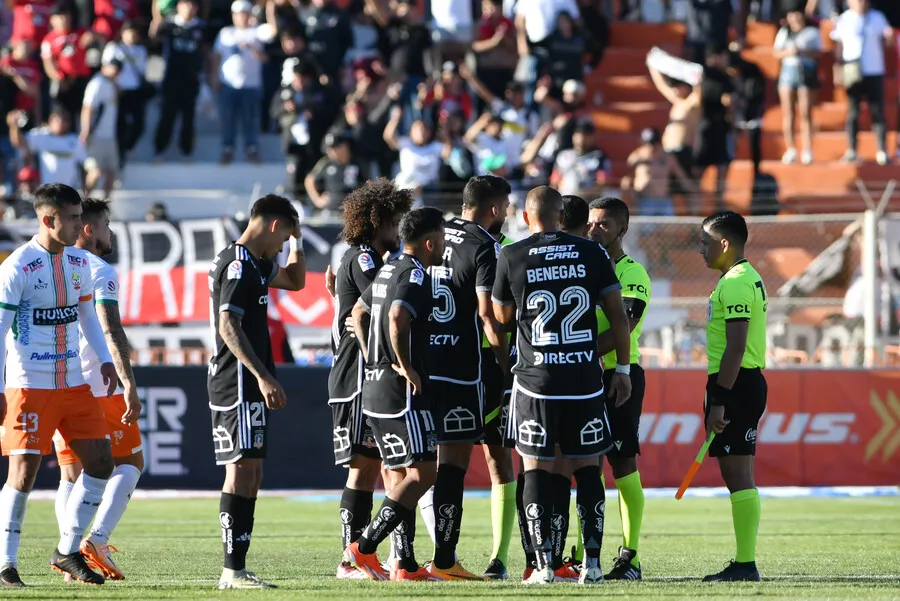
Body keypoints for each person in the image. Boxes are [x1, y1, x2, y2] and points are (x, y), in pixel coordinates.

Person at [491, 186, 632, 585]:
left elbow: (501, 318)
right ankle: (592, 563)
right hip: (584, 379)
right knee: (589, 469)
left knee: (534, 468)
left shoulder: (512, 254)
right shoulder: (593, 252)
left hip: (536, 382)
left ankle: (544, 565)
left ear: (525, 217)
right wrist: (622, 368)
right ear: (564, 215)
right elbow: (618, 317)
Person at [0, 183, 117, 586]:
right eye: (72, 217)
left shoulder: (78, 263)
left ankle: (67, 551)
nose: (80, 224)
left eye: (80, 216)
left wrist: (105, 360)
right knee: (24, 472)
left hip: (73, 382)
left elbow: (86, 315)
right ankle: (6, 564)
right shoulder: (16, 267)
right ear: (48, 220)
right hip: (28, 384)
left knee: (102, 461)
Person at [207, 194, 306, 589]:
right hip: (237, 380)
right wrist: (263, 375)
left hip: (249, 380)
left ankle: (239, 568)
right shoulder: (235, 264)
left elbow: (296, 282)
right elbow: (227, 324)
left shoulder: (255, 264)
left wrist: (298, 239)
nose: (283, 247)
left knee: (252, 471)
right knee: (240, 470)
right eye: (284, 237)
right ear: (270, 225)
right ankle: (231, 571)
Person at [344, 207, 445, 581]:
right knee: (424, 473)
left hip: (374, 386)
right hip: (401, 391)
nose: (443, 249)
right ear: (431, 242)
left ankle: (404, 564)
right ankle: (364, 547)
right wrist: (402, 363)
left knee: (399, 474)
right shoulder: (415, 272)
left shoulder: (388, 268)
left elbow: (357, 312)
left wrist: (375, 357)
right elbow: (397, 316)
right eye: (442, 242)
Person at [423, 176, 511, 581]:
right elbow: (487, 315)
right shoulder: (484, 245)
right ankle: (444, 560)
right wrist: (506, 363)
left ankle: (399, 558)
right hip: (462, 370)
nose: (507, 213)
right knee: (454, 464)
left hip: (421, 365)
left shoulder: (433, 231)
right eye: (506, 206)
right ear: (493, 209)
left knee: (414, 465)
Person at [51, 198, 143, 582]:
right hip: (97, 383)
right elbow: (110, 328)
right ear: (88, 229)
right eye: (105, 224)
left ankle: (68, 555)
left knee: (71, 476)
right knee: (131, 464)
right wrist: (129, 383)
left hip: (57, 381)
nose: (109, 232)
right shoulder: (98, 268)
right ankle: (96, 540)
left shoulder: (55, 264)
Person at [328, 179, 412, 579]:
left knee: (384, 466)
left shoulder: (363, 258)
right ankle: (351, 559)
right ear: (378, 220)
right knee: (363, 468)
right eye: (394, 221)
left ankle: (392, 558)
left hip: (363, 376)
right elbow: (378, 304)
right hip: (359, 377)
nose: (398, 230)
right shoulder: (363, 259)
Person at [698, 210, 767, 582]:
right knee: (737, 473)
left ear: (725, 244)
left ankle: (745, 563)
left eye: (705, 243)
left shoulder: (737, 283)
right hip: (737, 384)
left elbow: (736, 348)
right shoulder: (740, 278)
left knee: (738, 474)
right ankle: (744, 561)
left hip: (736, 385)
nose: (701, 250)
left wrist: (720, 399)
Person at [587, 197, 651, 581]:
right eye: (591, 223)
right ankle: (584, 552)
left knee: (623, 463)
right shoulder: (584, 267)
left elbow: (621, 328)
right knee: (585, 466)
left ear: (622, 230)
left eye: (604, 225)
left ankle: (631, 557)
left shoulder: (633, 273)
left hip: (619, 377)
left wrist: (575, 351)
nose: (595, 230)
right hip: (583, 378)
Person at [210, 0, 275, 165]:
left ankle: (251, 149)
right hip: (227, 84)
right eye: (239, 14)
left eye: (245, 13)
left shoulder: (257, 32)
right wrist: (214, 77)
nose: (242, 17)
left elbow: (272, 34)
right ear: (233, 16)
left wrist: (270, 9)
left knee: (251, 120)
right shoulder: (225, 33)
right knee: (227, 119)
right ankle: (227, 149)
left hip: (251, 85)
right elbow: (216, 57)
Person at [830, 0, 893, 165]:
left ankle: (882, 150)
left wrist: (889, 37)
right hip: (853, 70)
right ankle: (851, 150)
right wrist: (837, 69)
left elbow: (887, 39)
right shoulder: (844, 19)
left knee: (877, 112)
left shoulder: (877, 17)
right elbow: (838, 46)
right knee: (853, 112)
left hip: (874, 70)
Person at [150, 0, 207, 162]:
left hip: (191, 79)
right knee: (167, 114)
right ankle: (159, 150)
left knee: (188, 117)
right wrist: (156, 20)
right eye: (185, 4)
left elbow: (205, 52)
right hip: (171, 78)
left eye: (192, 4)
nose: (189, 8)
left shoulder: (200, 27)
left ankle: (186, 152)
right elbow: (154, 42)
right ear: (178, 7)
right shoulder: (168, 26)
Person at [647, 61, 702, 208]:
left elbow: (699, 92)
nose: (675, 89)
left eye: (678, 86)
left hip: (683, 151)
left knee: (690, 189)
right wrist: (653, 65)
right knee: (667, 188)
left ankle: (694, 224)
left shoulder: (692, 104)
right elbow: (662, 86)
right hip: (668, 152)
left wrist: (697, 78)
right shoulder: (677, 102)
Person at [773, 7, 822, 165]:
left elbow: (819, 53)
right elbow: (776, 53)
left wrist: (802, 52)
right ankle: (791, 149)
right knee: (788, 113)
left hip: (806, 71)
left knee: (805, 112)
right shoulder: (784, 32)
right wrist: (789, 52)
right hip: (788, 72)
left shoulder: (812, 32)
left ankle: (807, 149)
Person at [102, 21, 149, 169]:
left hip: (134, 91)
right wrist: (115, 86)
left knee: (139, 123)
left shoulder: (141, 50)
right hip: (118, 91)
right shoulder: (114, 48)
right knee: (120, 125)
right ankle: (119, 155)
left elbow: (142, 71)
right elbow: (106, 69)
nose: (132, 37)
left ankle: (128, 148)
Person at [7, 106, 84, 188]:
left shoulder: (74, 140)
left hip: (70, 190)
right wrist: (14, 126)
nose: (63, 123)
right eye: (60, 119)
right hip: (48, 189)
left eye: (66, 120)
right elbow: (18, 143)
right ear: (51, 120)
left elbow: (83, 163)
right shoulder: (42, 135)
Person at [81, 59, 121, 199]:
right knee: (95, 172)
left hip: (110, 136)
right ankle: (84, 202)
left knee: (111, 173)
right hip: (96, 136)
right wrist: (85, 130)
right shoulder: (97, 84)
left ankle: (104, 207)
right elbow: (88, 108)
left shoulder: (111, 84)